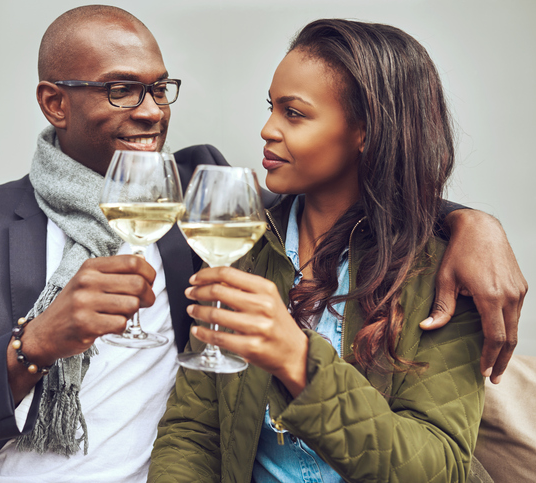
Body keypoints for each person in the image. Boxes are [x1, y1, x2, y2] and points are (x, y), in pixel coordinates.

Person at [0, 6, 524, 483]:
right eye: (121, 89)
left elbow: (380, 193)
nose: (152, 111)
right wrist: (35, 343)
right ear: (55, 102)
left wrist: (474, 224)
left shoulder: (209, 206)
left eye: (159, 89)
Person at [149, 19, 503, 482]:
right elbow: (193, 431)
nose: (267, 130)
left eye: (293, 113)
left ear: (366, 131)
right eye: (271, 108)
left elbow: (438, 468)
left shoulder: (446, 273)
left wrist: (298, 359)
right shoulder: (244, 248)